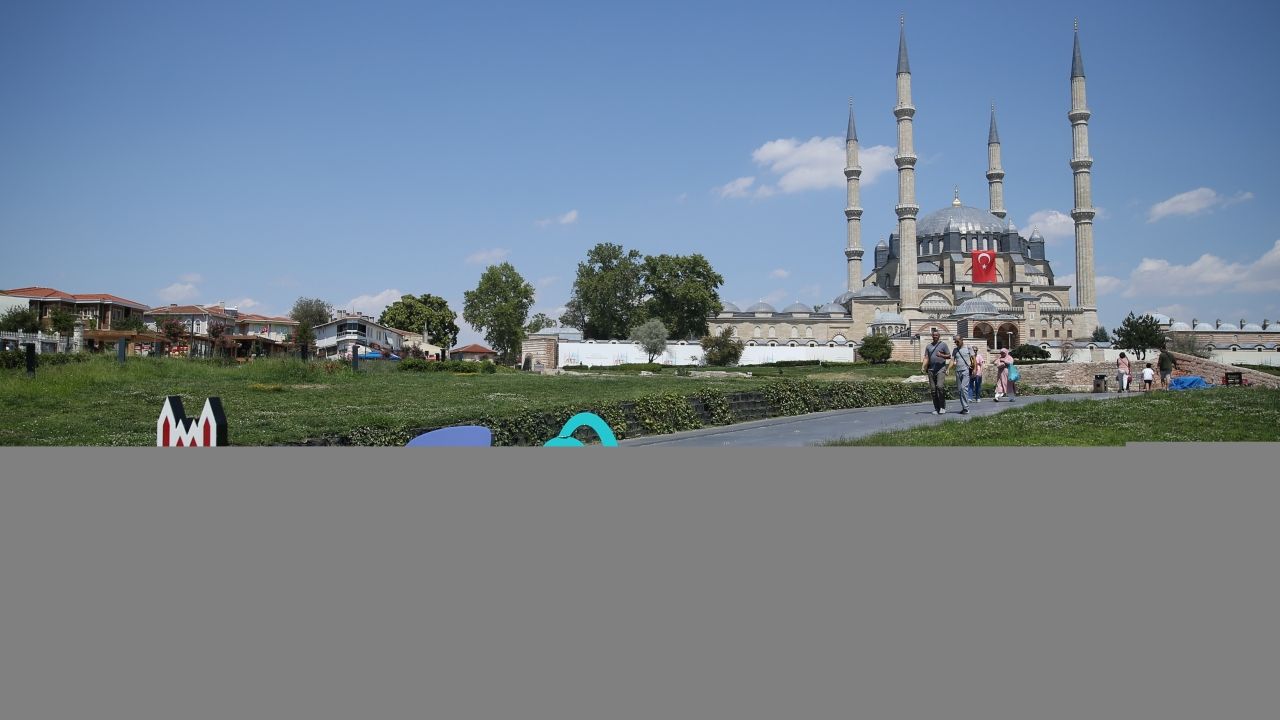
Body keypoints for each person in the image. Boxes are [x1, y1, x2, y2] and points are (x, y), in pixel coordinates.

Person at [920, 329, 951, 415]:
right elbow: (926, 357)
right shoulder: (928, 346)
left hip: (941, 369)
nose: (935, 336)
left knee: (940, 387)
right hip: (931, 370)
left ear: (939, 336)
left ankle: (942, 407)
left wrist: (941, 355)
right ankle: (937, 408)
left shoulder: (943, 345)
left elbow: (949, 356)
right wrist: (923, 366)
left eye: (936, 335)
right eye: (934, 335)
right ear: (932, 336)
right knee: (933, 390)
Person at [951, 335, 975, 415]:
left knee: (963, 388)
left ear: (962, 340)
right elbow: (952, 360)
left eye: (957, 341)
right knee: (960, 390)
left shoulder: (968, 348)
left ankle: (966, 408)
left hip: (966, 370)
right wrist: (948, 369)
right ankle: (964, 407)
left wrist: (975, 369)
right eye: (955, 341)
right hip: (958, 371)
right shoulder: (955, 350)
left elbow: (973, 358)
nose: (956, 343)